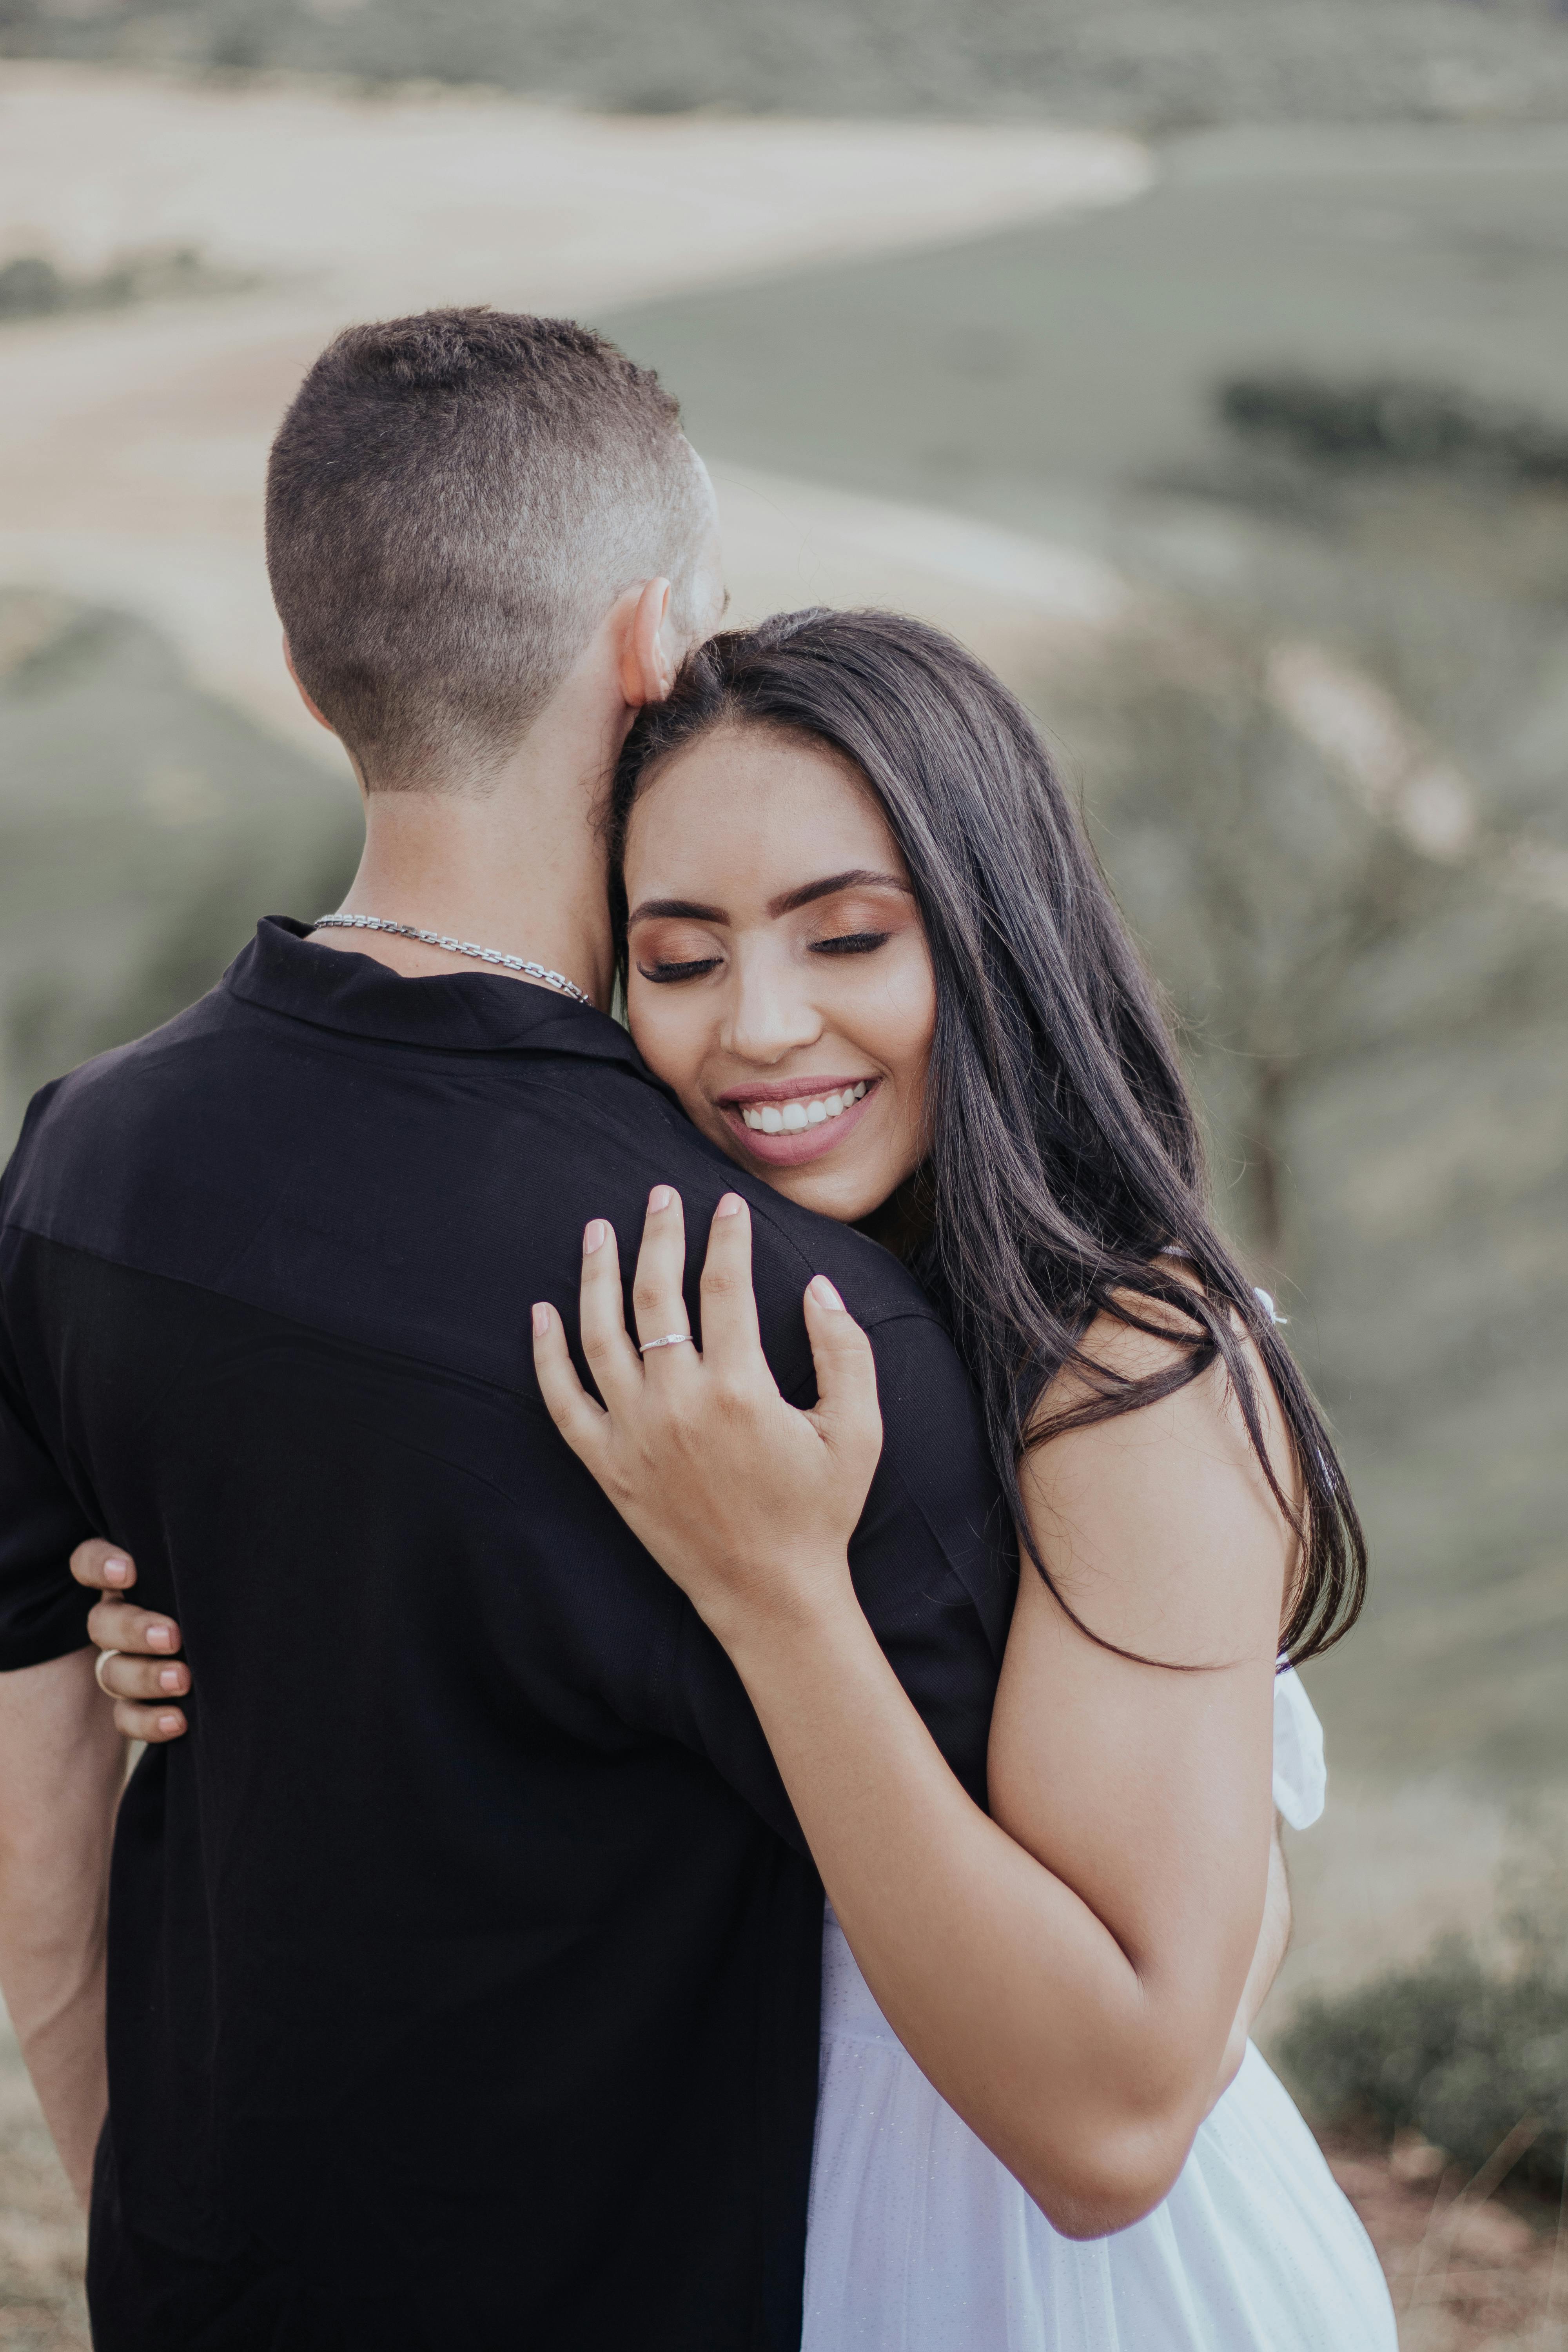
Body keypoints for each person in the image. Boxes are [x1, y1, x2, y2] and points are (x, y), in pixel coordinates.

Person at [81, 612, 1399, 2346]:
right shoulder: (733, 1333)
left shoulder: (1126, 1373)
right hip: (764, 2223)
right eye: (681, 962)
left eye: (847, 937)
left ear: (994, 934)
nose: (761, 1029)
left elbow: (1110, 2132)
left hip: (1039, 2286)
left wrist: (777, 1593)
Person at [0, 314, 1016, 2351]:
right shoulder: (779, 1318)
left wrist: (153, 2252)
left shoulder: (79, 1164)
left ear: (310, 670)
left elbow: (38, 1846)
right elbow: (1039, 1996)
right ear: (657, 649)